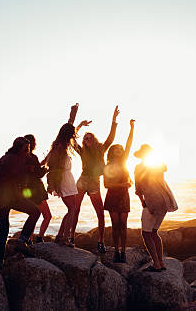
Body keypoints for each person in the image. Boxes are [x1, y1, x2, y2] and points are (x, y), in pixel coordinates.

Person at [70, 105, 120, 254]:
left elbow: (111, 138)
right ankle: (71, 237)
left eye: (89, 137)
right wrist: (78, 126)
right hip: (82, 181)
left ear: (94, 139)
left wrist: (114, 120)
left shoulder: (101, 149)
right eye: (85, 138)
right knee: (75, 210)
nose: (87, 139)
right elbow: (72, 139)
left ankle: (101, 241)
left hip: (94, 183)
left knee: (100, 213)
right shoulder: (81, 151)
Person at [0, 137, 41, 269]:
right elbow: (18, 179)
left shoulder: (5, 158)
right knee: (35, 212)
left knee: (4, 229)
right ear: (19, 148)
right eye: (26, 149)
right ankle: (22, 240)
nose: (28, 152)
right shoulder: (16, 159)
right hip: (6, 197)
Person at [42, 103, 89, 247]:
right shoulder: (60, 145)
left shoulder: (61, 142)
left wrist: (73, 113)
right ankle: (64, 238)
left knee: (72, 209)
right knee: (72, 209)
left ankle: (61, 236)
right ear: (68, 134)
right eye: (72, 133)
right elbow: (48, 159)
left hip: (67, 179)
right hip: (63, 179)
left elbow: (69, 126)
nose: (74, 135)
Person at [134, 144, 178, 271]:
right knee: (154, 232)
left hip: (152, 201)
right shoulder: (159, 166)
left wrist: (143, 201)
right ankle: (161, 263)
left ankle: (156, 264)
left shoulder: (139, 167)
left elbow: (138, 189)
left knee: (146, 234)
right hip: (164, 201)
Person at [103, 119, 135, 263]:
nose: (120, 151)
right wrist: (123, 184)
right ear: (112, 152)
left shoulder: (124, 163)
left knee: (124, 224)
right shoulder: (107, 166)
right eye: (117, 149)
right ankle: (116, 251)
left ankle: (123, 252)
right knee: (115, 225)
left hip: (123, 196)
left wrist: (132, 128)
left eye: (121, 150)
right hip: (113, 196)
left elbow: (129, 144)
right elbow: (106, 184)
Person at [23, 134, 52, 242]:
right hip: (37, 190)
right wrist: (45, 169)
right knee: (47, 216)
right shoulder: (32, 157)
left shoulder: (21, 159)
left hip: (28, 191)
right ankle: (39, 238)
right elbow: (38, 174)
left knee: (34, 216)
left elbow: (32, 171)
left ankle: (29, 240)